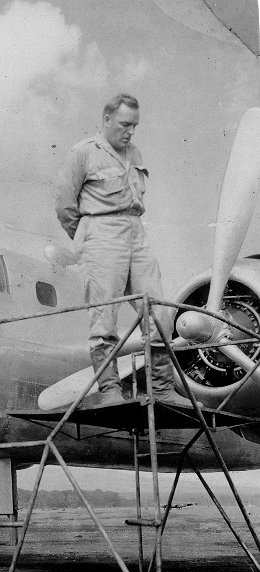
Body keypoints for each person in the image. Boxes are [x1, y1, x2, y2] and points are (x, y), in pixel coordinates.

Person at [56, 92, 195, 406]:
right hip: (101, 233)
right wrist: (90, 242)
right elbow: (64, 205)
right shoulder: (83, 152)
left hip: (136, 232)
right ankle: (110, 391)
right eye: (124, 124)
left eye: (134, 125)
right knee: (104, 319)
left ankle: (162, 390)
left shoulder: (135, 152)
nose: (130, 131)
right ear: (106, 120)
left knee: (159, 312)